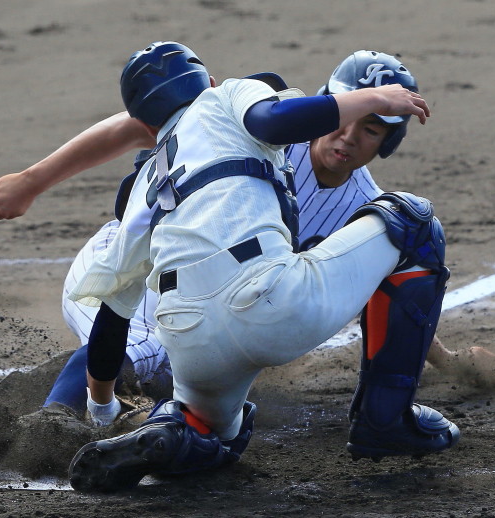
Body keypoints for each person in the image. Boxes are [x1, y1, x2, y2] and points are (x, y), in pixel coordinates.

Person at [29, 40, 459, 492]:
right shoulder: (239, 98)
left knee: (215, 428)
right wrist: (378, 99)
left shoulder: (147, 180)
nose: (348, 137)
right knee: (414, 221)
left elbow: (113, 313)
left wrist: (102, 408)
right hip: (210, 291)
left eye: (370, 128)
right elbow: (269, 120)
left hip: (184, 317)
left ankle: (172, 432)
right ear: (210, 83)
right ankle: (386, 421)